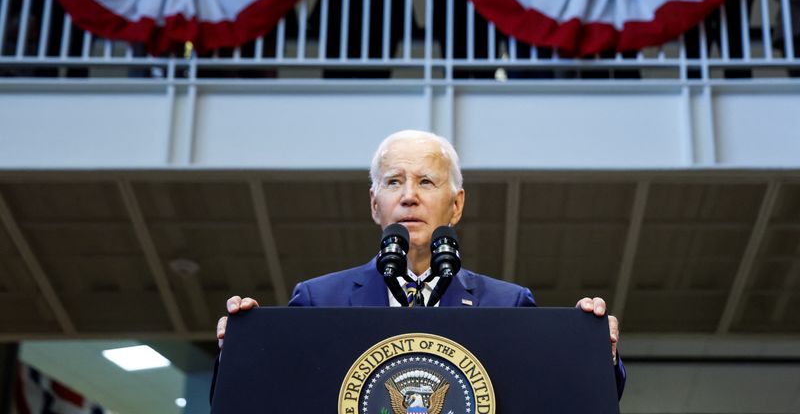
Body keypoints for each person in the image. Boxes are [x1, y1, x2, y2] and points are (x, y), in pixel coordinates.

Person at [216, 129, 626, 398]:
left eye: (426, 181)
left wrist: (594, 353)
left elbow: (554, 398)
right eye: (394, 181)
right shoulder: (318, 299)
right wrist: (239, 350)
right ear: (375, 204)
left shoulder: (508, 303)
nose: (409, 196)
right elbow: (275, 395)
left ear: (457, 205)